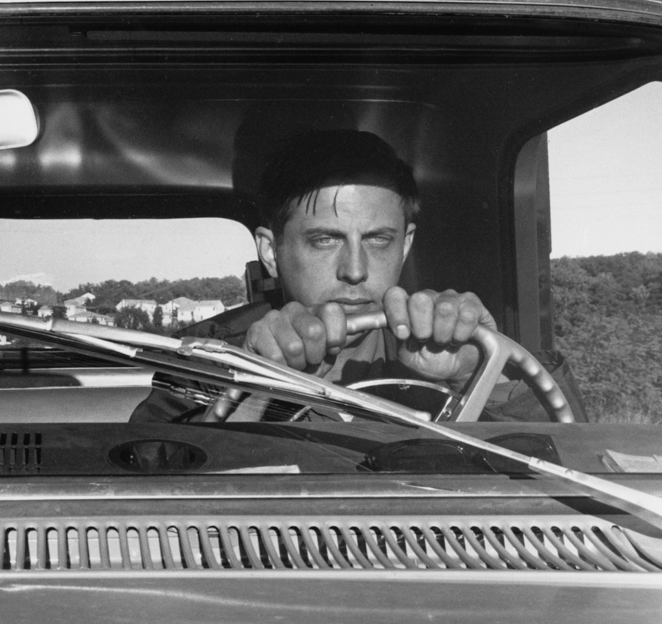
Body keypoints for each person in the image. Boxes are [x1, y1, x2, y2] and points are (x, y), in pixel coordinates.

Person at [133, 129, 585, 422]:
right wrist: (250, 383)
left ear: (405, 244)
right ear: (272, 251)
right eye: (325, 240)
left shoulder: (444, 344)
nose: (355, 270)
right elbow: (152, 494)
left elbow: (574, 464)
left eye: (377, 240)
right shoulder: (206, 359)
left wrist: (485, 377)